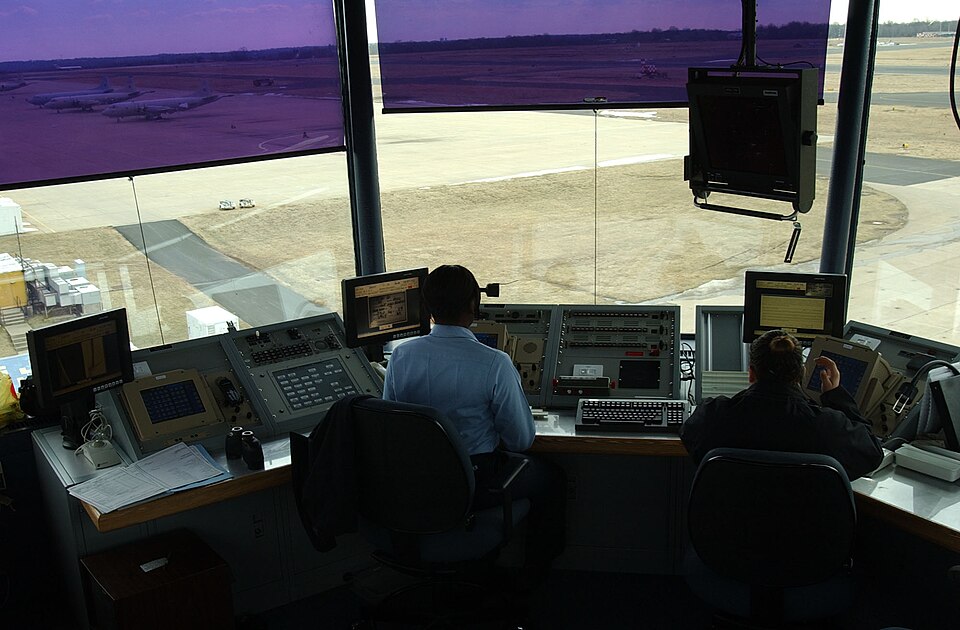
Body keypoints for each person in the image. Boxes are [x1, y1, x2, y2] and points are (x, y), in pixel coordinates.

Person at [382, 264, 565, 575]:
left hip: (418, 486)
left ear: (427, 307)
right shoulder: (494, 362)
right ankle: (535, 576)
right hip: (476, 484)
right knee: (553, 478)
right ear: (473, 305)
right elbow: (521, 441)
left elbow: (392, 425)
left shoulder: (400, 357)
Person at [681, 329, 883, 480]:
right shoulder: (828, 426)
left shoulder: (714, 415)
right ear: (802, 373)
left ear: (751, 373)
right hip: (806, 533)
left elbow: (689, 434)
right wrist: (835, 396)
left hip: (729, 530)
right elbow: (872, 453)